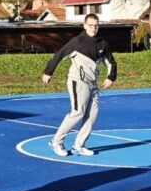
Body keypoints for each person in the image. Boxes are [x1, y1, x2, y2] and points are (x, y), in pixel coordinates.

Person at [42, 14, 117, 157]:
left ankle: (79, 145)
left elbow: (111, 62)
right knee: (78, 112)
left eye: (96, 25)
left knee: (92, 115)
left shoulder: (103, 43)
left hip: (93, 84)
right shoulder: (77, 42)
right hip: (78, 81)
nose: (93, 28)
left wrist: (111, 77)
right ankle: (56, 141)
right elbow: (59, 55)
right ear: (84, 25)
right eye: (90, 25)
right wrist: (48, 72)